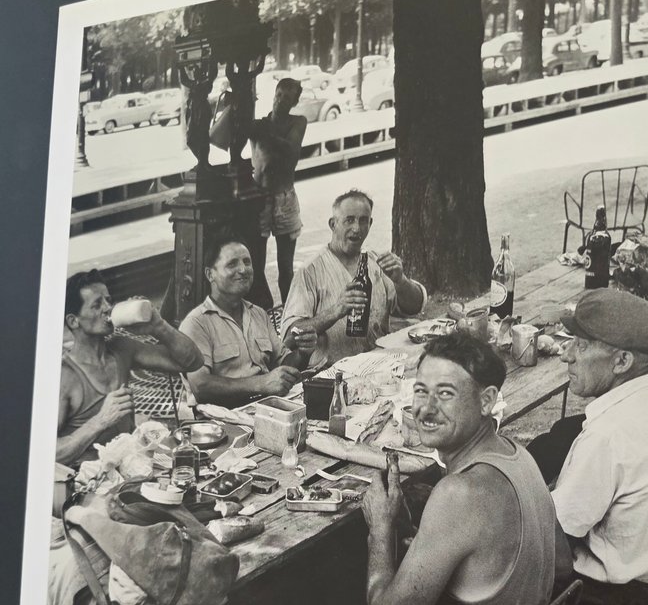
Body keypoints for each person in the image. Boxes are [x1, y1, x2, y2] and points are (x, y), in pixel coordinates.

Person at [359, 330, 566, 605]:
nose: (425, 409)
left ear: (488, 401)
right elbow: (562, 563)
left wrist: (381, 529)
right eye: (420, 391)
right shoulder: (516, 455)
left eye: (446, 394)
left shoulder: (460, 494)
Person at [548, 289, 648, 605]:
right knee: (559, 438)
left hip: (616, 591)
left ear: (622, 361)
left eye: (581, 346)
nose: (567, 355)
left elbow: (555, 533)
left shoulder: (609, 434)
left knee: (496, 541)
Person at [57, 270, 203, 468]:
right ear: (74, 321)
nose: (108, 308)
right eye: (97, 305)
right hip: (86, 478)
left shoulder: (121, 348)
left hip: (131, 466)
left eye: (108, 300)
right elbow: (45, 454)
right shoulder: (65, 376)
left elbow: (191, 362)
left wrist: (158, 326)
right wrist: (100, 420)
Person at [280, 189, 426, 367]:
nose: (356, 228)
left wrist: (401, 281)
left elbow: (414, 307)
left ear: (370, 224)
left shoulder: (375, 262)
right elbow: (289, 337)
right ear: (333, 224)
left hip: (381, 365)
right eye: (349, 220)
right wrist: (336, 311)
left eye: (363, 220)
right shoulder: (310, 271)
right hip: (331, 374)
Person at [179, 236, 318, 407]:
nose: (243, 269)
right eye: (232, 264)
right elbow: (200, 386)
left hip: (266, 409)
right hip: (220, 422)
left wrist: (303, 353)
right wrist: (261, 383)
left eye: (247, 262)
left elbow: (282, 365)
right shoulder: (196, 323)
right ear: (210, 274)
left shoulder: (258, 314)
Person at [248, 77, 307, 310]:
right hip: (260, 199)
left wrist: (265, 133)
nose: (280, 100)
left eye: (287, 97)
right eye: (278, 94)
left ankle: (290, 313)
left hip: (284, 198)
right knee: (256, 264)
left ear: (295, 101)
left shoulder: (298, 122)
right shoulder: (259, 125)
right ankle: (265, 309)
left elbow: (291, 148)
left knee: (285, 267)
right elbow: (231, 130)